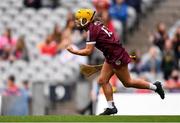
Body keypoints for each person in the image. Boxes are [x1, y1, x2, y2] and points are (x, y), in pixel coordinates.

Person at [67, 9, 165, 115]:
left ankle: (155, 87)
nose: (77, 21)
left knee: (128, 82)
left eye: (79, 19)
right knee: (102, 80)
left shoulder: (92, 30)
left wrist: (74, 51)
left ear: (86, 20)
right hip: (112, 55)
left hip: (116, 56)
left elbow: (88, 51)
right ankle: (111, 107)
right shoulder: (95, 24)